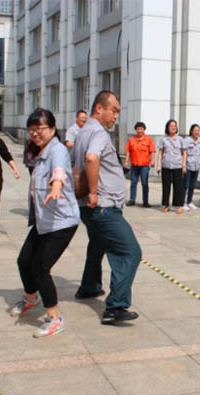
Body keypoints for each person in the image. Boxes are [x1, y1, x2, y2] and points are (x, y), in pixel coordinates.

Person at [72, 90, 141, 324]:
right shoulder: (98, 132)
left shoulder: (81, 132)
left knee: (98, 243)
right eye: (114, 110)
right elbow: (92, 159)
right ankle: (116, 306)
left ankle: (89, 286)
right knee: (130, 252)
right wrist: (93, 192)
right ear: (99, 109)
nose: (115, 117)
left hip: (89, 208)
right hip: (103, 206)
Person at [10, 109, 79, 338]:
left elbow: (59, 172)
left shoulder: (57, 150)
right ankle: (31, 298)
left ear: (51, 128)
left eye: (39, 129)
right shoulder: (41, 152)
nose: (35, 134)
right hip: (43, 220)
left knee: (40, 268)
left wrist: (57, 187)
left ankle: (54, 318)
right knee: (24, 261)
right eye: (32, 130)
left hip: (61, 222)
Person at [157, 119, 187, 214]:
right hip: (166, 166)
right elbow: (160, 153)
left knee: (178, 187)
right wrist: (158, 165)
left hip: (177, 166)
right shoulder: (163, 140)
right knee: (166, 187)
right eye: (171, 126)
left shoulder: (181, 139)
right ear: (167, 128)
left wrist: (184, 165)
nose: (173, 127)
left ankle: (179, 205)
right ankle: (166, 205)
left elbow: (184, 153)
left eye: (175, 126)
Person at [124, 121, 155, 207]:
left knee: (145, 183)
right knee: (133, 183)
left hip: (144, 166)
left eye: (141, 129)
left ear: (144, 130)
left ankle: (145, 201)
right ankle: (132, 199)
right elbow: (128, 151)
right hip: (134, 166)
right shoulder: (131, 140)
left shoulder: (149, 140)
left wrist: (152, 161)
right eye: (138, 129)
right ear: (136, 130)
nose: (139, 130)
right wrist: (126, 161)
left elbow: (152, 151)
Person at [182, 124, 200, 210]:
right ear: (191, 131)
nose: (197, 132)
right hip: (188, 166)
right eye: (195, 130)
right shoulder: (187, 140)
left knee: (192, 185)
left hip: (196, 167)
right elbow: (184, 153)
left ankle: (189, 202)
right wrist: (183, 166)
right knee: (185, 185)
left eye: (198, 130)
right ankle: (183, 202)